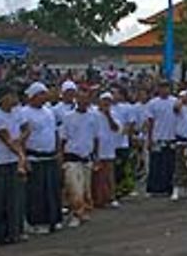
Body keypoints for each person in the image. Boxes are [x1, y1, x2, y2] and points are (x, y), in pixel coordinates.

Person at [0, 86, 28, 247]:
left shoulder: (17, 113)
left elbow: (26, 128)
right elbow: (7, 141)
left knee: (15, 198)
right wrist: (21, 156)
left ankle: (14, 232)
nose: (15, 98)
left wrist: (21, 139)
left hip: (13, 159)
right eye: (11, 95)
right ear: (3, 98)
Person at [21, 82, 62, 234]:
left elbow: (55, 132)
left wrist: (58, 152)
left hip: (50, 156)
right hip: (34, 158)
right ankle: (36, 222)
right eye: (41, 94)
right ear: (33, 96)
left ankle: (54, 220)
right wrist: (23, 158)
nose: (44, 97)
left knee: (52, 191)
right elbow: (21, 137)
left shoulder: (49, 112)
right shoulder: (24, 113)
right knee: (36, 193)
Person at [60, 89, 99, 227]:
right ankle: (76, 214)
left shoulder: (94, 117)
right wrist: (61, 157)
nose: (83, 101)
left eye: (86, 98)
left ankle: (84, 211)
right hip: (71, 157)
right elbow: (63, 138)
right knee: (73, 187)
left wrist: (96, 157)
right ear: (76, 99)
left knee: (85, 188)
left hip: (86, 157)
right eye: (80, 98)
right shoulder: (68, 116)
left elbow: (95, 138)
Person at [145, 81, 180, 196]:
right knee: (156, 164)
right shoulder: (152, 103)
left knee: (170, 164)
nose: (164, 90)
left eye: (166, 87)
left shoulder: (175, 102)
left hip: (171, 137)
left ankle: (168, 187)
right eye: (162, 87)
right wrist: (149, 139)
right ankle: (154, 189)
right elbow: (150, 122)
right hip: (158, 138)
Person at [92, 92, 121, 209]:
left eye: (108, 101)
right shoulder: (93, 114)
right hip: (96, 148)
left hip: (109, 148)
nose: (106, 103)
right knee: (98, 175)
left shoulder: (114, 114)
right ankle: (99, 199)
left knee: (109, 174)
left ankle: (111, 197)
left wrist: (108, 116)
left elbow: (116, 128)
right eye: (104, 100)